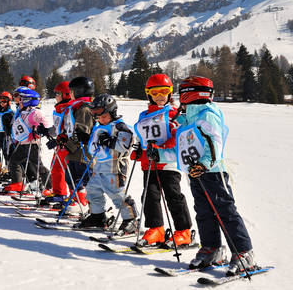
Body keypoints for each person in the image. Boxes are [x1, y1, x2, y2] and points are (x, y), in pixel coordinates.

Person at [158, 76, 256, 275]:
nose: (180, 97)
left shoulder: (207, 114)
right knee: (203, 211)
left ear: (191, 93)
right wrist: (158, 154)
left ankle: (244, 252)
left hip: (212, 172)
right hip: (196, 173)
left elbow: (215, 142)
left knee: (225, 211)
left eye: (182, 92)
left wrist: (204, 164)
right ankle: (212, 249)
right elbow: (182, 148)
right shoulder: (189, 118)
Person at [132, 74, 193, 247]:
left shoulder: (173, 114)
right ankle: (156, 229)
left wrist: (162, 148)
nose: (160, 95)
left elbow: (178, 136)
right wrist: (138, 150)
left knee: (173, 196)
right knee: (149, 196)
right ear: (148, 93)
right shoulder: (144, 115)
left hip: (168, 163)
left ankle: (183, 231)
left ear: (170, 93)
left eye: (164, 91)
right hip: (149, 164)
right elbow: (142, 137)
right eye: (155, 92)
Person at [77, 94, 138, 233]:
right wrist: (86, 139)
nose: (100, 120)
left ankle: (131, 220)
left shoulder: (120, 126)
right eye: (98, 117)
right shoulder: (99, 127)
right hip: (99, 167)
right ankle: (98, 216)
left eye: (103, 116)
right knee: (92, 191)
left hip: (114, 168)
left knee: (117, 194)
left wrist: (109, 141)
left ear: (112, 112)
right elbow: (92, 149)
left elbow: (125, 145)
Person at [2, 87, 51, 193]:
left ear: (26, 99)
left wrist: (38, 130)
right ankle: (17, 184)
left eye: (19, 98)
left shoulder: (35, 112)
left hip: (32, 145)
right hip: (22, 144)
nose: (16, 100)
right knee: (13, 162)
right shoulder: (22, 111)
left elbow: (45, 125)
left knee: (39, 167)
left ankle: (50, 187)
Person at [60, 76, 95, 214]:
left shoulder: (85, 108)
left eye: (72, 91)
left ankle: (94, 206)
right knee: (71, 178)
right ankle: (79, 201)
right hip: (74, 150)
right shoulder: (76, 107)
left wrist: (69, 145)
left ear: (80, 91)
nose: (71, 94)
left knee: (85, 179)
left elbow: (82, 131)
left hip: (83, 151)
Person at [35, 81, 72, 204]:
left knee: (70, 172)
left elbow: (70, 129)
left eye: (57, 93)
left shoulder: (69, 109)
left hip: (69, 146)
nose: (55, 96)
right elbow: (57, 129)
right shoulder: (58, 109)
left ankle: (75, 199)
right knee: (56, 168)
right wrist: (46, 131)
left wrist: (60, 140)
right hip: (60, 145)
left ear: (66, 94)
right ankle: (59, 193)